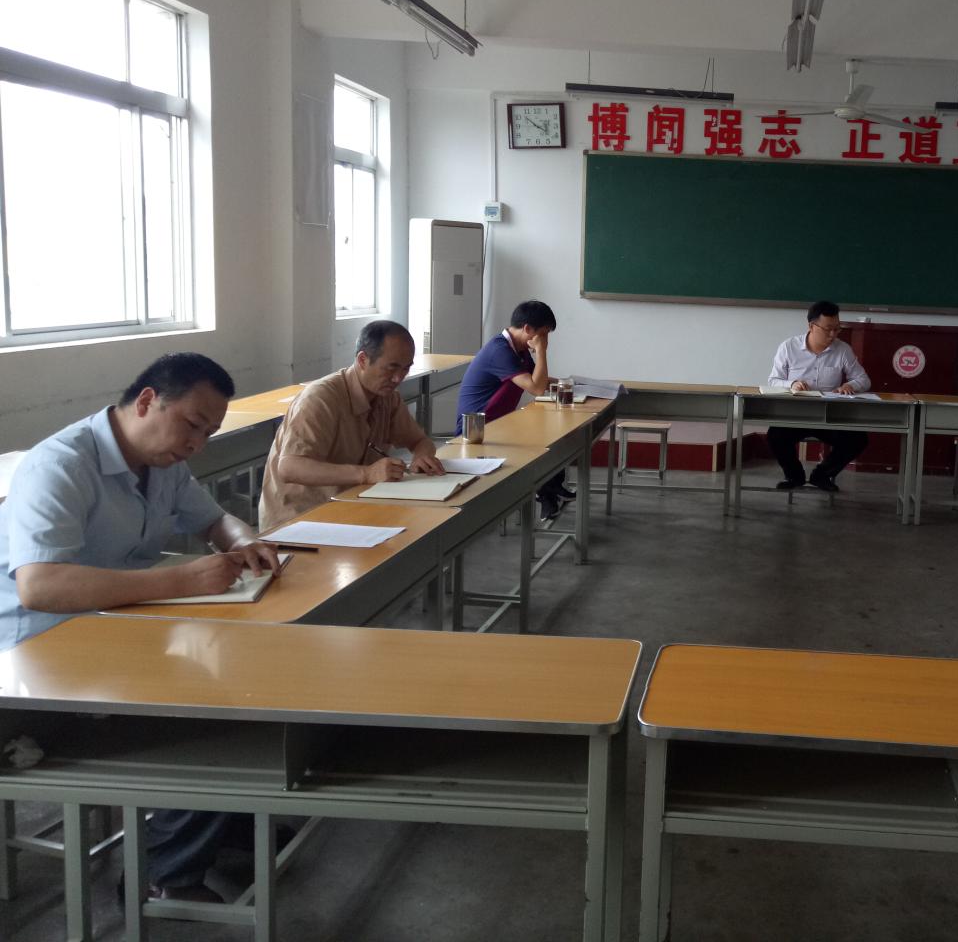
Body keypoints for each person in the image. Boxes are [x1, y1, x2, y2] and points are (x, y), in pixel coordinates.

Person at [0, 352, 285, 902]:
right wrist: (178, 580)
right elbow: (41, 587)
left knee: (249, 678)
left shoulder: (162, 462)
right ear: (149, 401)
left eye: (208, 434)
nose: (197, 444)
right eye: (192, 425)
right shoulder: (59, 466)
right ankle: (164, 872)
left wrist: (244, 539)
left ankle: (219, 822)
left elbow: (213, 519)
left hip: (112, 632)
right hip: (39, 659)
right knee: (212, 713)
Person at [258, 320, 444, 529]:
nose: (398, 378)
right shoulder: (320, 399)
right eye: (391, 368)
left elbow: (420, 441)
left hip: (351, 505)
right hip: (298, 519)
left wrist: (422, 457)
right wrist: (366, 473)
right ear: (363, 360)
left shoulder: (387, 397)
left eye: (406, 368)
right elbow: (290, 468)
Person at [455, 299, 573, 522]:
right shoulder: (499, 351)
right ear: (527, 329)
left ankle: (551, 488)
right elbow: (537, 388)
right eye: (543, 334)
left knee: (552, 434)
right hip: (476, 431)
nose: (545, 340)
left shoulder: (518, 349)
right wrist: (541, 351)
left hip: (499, 424)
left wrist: (570, 384)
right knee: (540, 442)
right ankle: (545, 494)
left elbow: (538, 379)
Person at [766, 300, 872, 493]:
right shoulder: (788, 347)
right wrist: (792, 384)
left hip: (828, 416)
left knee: (858, 440)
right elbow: (773, 381)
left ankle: (822, 475)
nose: (833, 335)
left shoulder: (843, 350)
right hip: (795, 415)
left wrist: (850, 385)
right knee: (775, 436)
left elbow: (864, 379)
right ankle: (794, 476)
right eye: (828, 329)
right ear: (811, 326)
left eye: (837, 329)